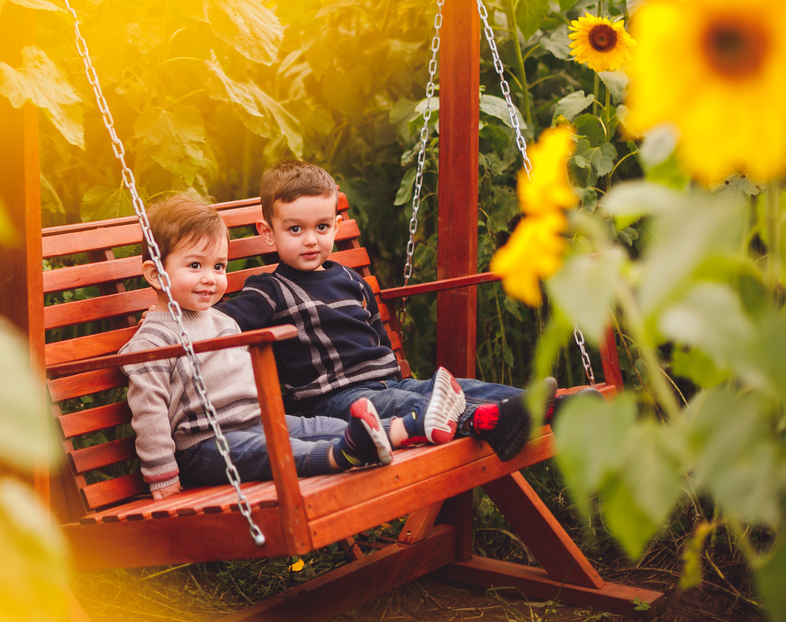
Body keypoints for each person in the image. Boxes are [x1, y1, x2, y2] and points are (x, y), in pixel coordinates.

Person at [217, 160, 589, 462]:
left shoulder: (350, 279)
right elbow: (221, 325)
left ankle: (552, 408)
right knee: (418, 403)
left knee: (457, 387)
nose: (311, 239)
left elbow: (375, 333)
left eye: (322, 227)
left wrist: (394, 374)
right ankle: (491, 422)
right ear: (268, 233)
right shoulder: (268, 290)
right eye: (295, 229)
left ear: (336, 225)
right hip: (336, 400)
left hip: (388, 382)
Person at [121, 194, 394, 500]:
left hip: (258, 423)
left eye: (219, 266)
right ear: (156, 274)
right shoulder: (152, 342)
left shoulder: (222, 322)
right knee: (274, 449)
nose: (210, 278)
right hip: (208, 447)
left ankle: (398, 431)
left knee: (322, 425)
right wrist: (163, 477)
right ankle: (341, 455)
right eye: (196, 265)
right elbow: (149, 413)